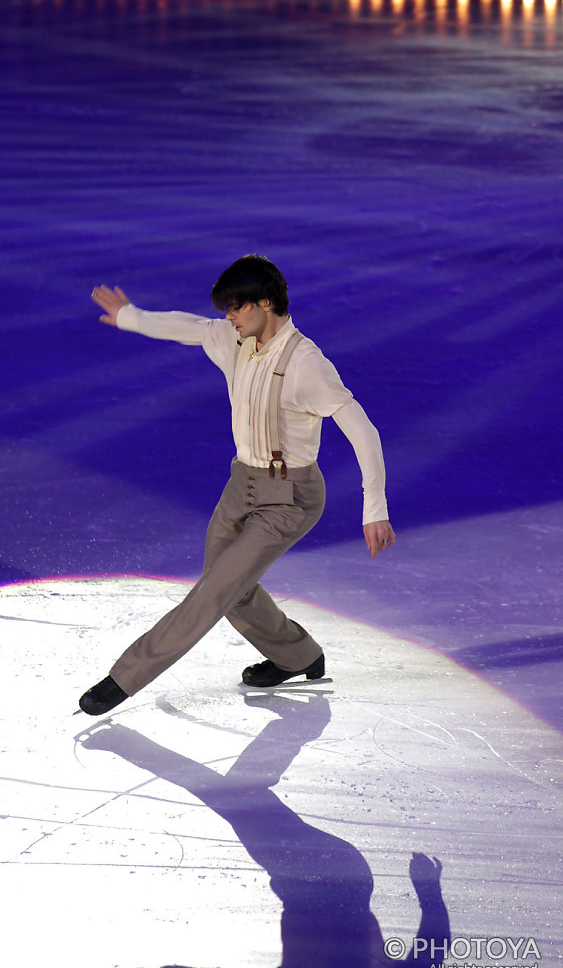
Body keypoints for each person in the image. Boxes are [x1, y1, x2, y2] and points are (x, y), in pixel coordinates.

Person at [79, 254, 395, 716]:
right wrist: (132, 317)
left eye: (235, 306)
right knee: (228, 586)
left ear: (265, 303)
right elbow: (188, 326)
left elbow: (362, 429)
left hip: (290, 498)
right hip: (241, 483)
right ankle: (297, 654)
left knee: (213, 592)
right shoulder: (236, 339)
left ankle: (124, 677)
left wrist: (375, 507)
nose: (228, 316)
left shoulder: (307, 365)